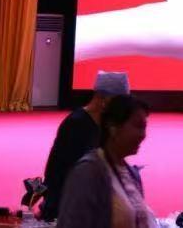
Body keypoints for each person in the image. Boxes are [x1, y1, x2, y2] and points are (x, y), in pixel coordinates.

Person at [40, 71, 130, 221]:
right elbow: (58, 173)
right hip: (68, 206)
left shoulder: (103, 125)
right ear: (104, 100)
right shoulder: (77, 124)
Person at [59, 94, 156, 228]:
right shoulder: (88, 172)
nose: (143, 135)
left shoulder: (131, 174)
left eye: (144, 127)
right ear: (113, 128)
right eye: (138, 126)